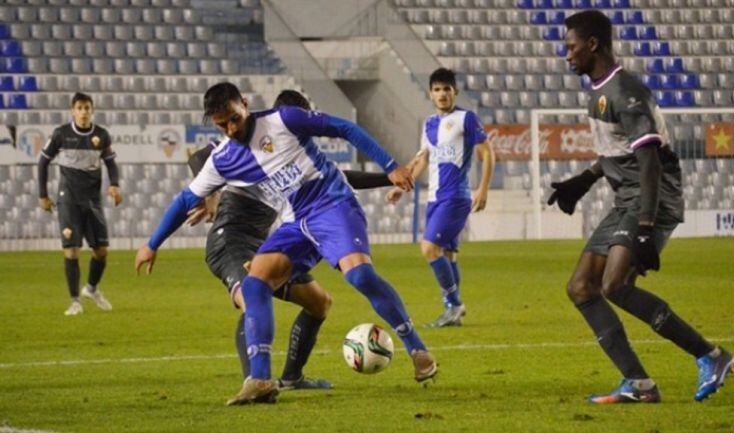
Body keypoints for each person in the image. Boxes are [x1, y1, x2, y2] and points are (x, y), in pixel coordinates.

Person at [134, 83, 437, 405]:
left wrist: (390, 167)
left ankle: (418, 349)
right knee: (256, 282)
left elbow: (344, 128)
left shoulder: (283, 120)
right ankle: (261, 379)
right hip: (294, 222)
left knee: (359, 276)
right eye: (222, 124)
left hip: (332, 205)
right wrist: (152, 244)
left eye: (235, 119)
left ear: (245, 104)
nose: (231, 129)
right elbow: (185, 199)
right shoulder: (223, 159)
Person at [551, 10, 734, 404]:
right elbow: (616, 154)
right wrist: (581, 182)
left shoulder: (625, 92)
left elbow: (649, 161)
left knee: (615, 285)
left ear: (592, 44)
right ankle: (638, 383)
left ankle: (711, 356)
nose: (566, 55)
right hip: (627, 198)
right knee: (582, 287)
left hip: (653, 197)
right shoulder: (598, 93)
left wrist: (646, 225)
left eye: (571, 46)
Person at [185, 90, 396, 390]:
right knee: (251, 298)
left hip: (262, 243)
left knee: (319, 303)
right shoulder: (242, 142)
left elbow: (342, 176)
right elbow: (198, 155)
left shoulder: (288, 154)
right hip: (229, 241)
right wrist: (210, 194)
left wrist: (392, 176)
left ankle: (293, 377)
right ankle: (256, 382)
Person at [386, 68, 494, 327]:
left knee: (429, 248)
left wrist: (483, 188)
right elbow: (423, 158)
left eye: (447, 89)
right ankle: (452, 311)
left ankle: (455, 305)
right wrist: (403, 185)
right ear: (431, 94)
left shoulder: (466, 119)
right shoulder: (429, 124)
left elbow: (488, 153)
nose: (442, 94)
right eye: (437, 89)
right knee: (447, 255)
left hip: (456, 196)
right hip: (435, 197)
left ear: (455, 91)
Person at [38, 92, 122, 316]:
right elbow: (43, 162)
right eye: (80, 108)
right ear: (72, 111)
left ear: (92, 110)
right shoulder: (61, 134)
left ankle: (91, 289)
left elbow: (111, 163)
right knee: (71, 251)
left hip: (93, 201)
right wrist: (42, 195)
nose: (84, 112)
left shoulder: (101, 135)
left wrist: (115, 184)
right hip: (69, 201)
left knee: (101, 251)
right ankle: (75, 301)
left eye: (87, 108)